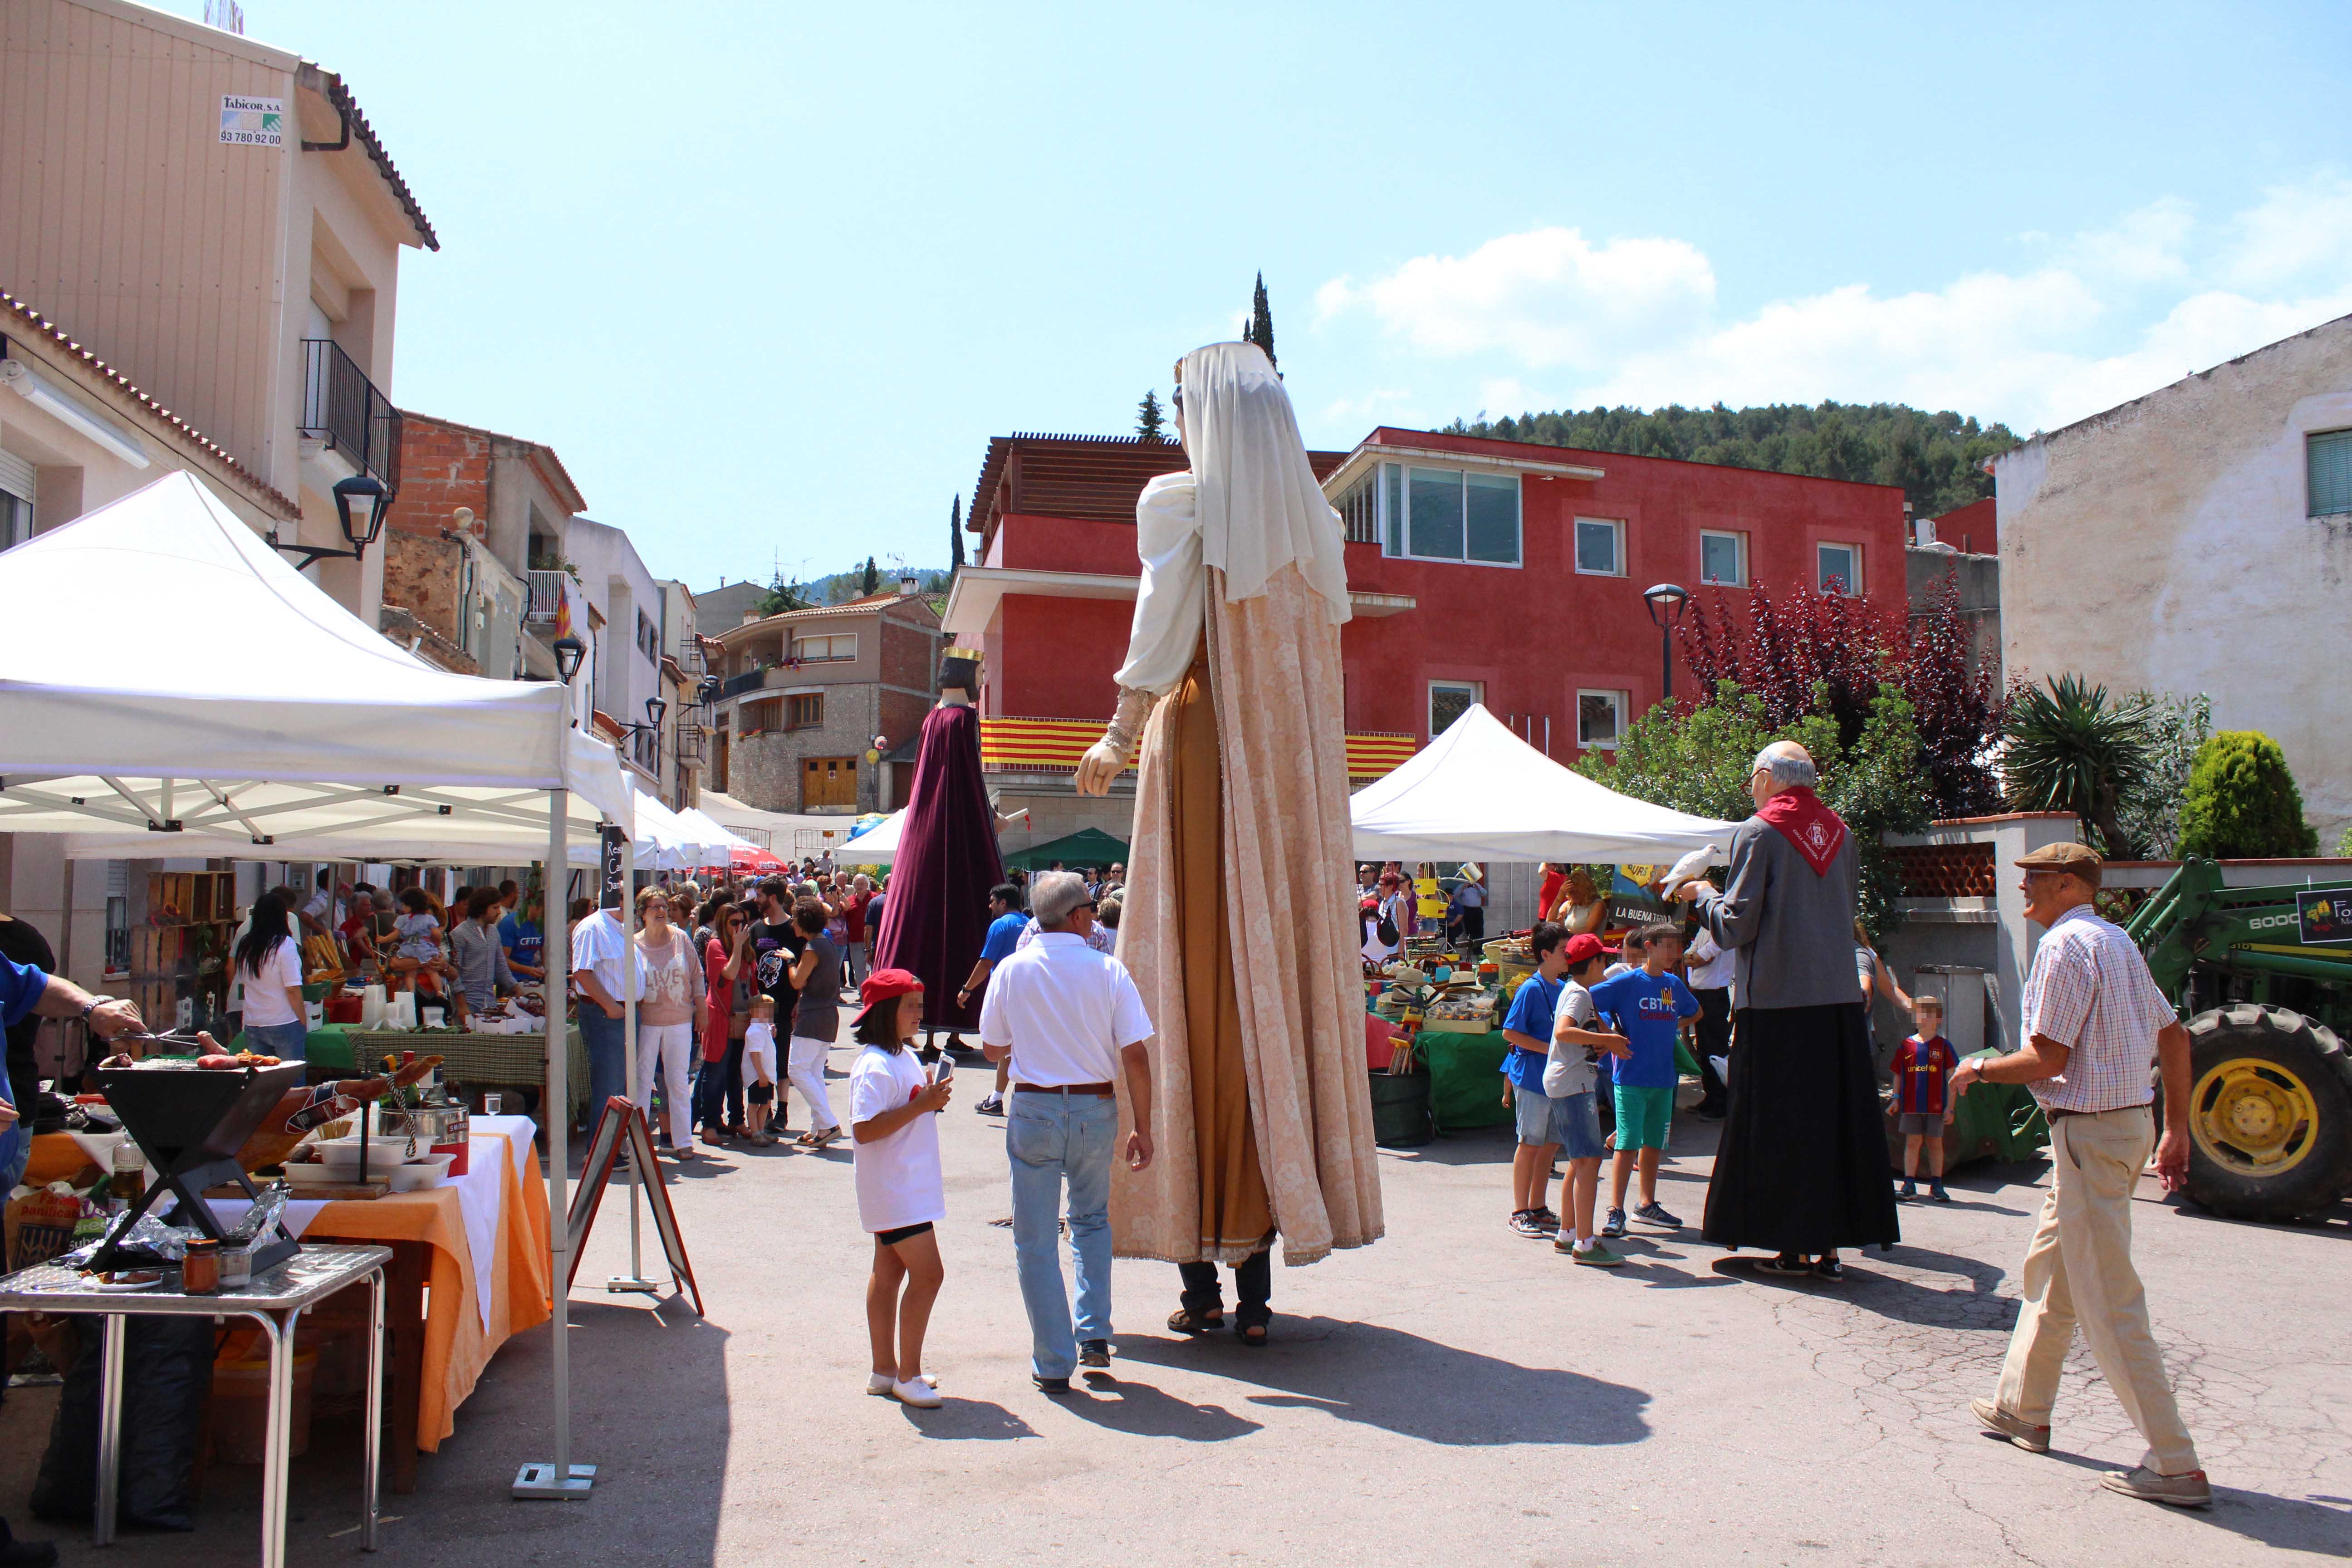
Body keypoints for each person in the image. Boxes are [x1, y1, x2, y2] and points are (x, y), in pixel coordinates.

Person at [1078, 340, 1382, 1334]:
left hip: (1207, 751)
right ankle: (1253, 1287)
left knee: (1189, 995)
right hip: (1289, 786)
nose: (1175, 419)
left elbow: (1160, 629)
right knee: (1271, 999)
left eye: (1181, 402)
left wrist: (1120, 734)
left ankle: (1198, 1284)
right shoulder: (1315, 528)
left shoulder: (1186, 504)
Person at [1955, 843, 2209, 1509]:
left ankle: (2175, 1463)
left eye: (2034, 878)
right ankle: (2022, 1407)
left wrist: (1977, 1069)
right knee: (2051, 1271)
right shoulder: (2117, 942)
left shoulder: (2065, 946)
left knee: (2108, 1301)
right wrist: (2176, 1130)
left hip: (2090, 1136)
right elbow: (2175, 1036)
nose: (2023, 888)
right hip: (2122, 1130)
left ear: (2068, 884)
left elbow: (2047, 1057)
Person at [1673, 742, 1900, 1282]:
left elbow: (1735, 926)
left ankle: (1793, 1249)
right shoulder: (1842, 833)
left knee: (1779, 1127)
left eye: (1753, 778)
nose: (1752, 789)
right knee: (1834, 1125)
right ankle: (1830, 1248)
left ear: (1767, 777)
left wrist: (1702, 893)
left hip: (1778, 1002)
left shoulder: (1759, 832)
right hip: (1838, 1003)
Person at [978, 872, 1156, 1389]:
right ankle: (1093, 1334)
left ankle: (1054, 1359)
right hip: (1093, 1106)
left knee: (1035, 1238)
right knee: (1091, 1221)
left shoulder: (1012, 969)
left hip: (1034, 1105)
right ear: (1078, 916)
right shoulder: (1108, 970)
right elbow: (1136, 1055)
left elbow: (992, 1049)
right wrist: (1143, 1126)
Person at [870, 647, 1007, 1056]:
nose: (982, 679)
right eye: (980, 672)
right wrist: (988, 821)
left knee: (922, 921)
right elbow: (970, 777)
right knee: (965, 919)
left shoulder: (931, 719)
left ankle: (925, 1030)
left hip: (923, 833)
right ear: (965, 674)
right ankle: (952, 1030)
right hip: (956, 831)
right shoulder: (965, 719)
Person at [848, 968, 951, 1409]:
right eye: (910, 1006)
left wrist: (926, 1101)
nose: (918, 1014)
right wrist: (922, 1105)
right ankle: (907, 1375)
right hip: (896, 1190)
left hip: (902, 1187)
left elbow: (899, 1115)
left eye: (920, 1006)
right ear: (885, 1011)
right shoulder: (874, 1064)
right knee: (929, 1275)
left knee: (889, 1274)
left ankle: (885, 1370)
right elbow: (864, 1129)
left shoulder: (901, 1055)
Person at [1590, 921, 1700, 1236]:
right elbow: (1588, 1000)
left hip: (1664, 1078)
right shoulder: (1627, 982)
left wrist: (1674, 1026)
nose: (1676, 953)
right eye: (1669, 946)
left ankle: (1646, 1204)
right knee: (1627, 1145)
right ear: (1649, 947)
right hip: (1631, 1076)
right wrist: (1609, 1034)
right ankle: (1616, 1210)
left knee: (1654, 1144)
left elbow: (1696, 1012)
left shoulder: (1673, 984)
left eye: (1678, 946)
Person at [1546, 934, 1633, 1265]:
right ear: (1594, 963)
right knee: (1589, 1161)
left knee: (1580, 1160)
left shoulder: (1579, 992)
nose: (1607, 965)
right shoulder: (1579, 994)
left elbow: (1584, 1033)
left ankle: (1569, 1233)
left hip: (1571, 1081)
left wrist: (1606, 1040)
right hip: (1573, 1083)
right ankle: (1585, 1243)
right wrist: (1608, 1041)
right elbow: (1563, 1032)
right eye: (1604, 959)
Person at [1501, 921, 1572, 1238]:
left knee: (1551, 1145)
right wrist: (1551, 1049)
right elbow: (1510, 1033)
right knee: (1530, 1143)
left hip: (1557, 1080)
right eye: (1564, 950)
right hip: (1532, 1078)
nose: (1569, 955)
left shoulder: (1565, 988)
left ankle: (1538, 1207)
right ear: (1546, 954)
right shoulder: (1531, 989)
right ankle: (1519, 1212)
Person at [569, 891, 648, 1130]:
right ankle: (600, 1148)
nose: (632, 903)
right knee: (609, 1086)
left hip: (624, 1013)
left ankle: (613, 1144)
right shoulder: (592, 927)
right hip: (606, 1015)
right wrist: (611, 1006)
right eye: (626, 896)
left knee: (621, 1086)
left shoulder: (621, 927)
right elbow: (582, 971)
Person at [635, 886, 703, 1158]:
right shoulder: (633, 944)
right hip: (646, 1022)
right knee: (642, 1082)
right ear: (643, 913)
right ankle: (639, 1143)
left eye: (664, 906)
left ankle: (683, 1141)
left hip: (679, 1020)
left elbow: (697, 975)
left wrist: (702, 1010)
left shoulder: (681, 939)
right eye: (655, 907)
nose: (661, 911)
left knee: (678, 1081)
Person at [958, 884, 1028, 1116]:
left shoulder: (1000, 925)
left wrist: (967, 989)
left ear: (1003, 903)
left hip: (1006, 995)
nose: (990, 906)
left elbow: (986, 962)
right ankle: (998, 1099)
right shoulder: (1031, 924)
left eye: (992, 901)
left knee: (1002, 1047)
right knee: (1016, 1047)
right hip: (1029, 994)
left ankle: (1000, 1099)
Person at [784, 900, 847, 1148]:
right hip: (828, 1015)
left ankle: (829, 1124)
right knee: (814, 1073)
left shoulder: (812, 948)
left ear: (803, 922)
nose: (792, 923)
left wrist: (791, 961)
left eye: (795, 919)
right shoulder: (827, 943)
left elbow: (797, 982)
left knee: (797, 1071)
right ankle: (820, 1128)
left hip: (813, 1016)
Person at [696, 896, 753, 1145]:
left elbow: (754, 986)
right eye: (734, 922)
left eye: (742, 922)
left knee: (736, 1073)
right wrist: (738, 946)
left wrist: (766, 1020)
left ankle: (737, 1120)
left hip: (743, 1018)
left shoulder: (747, 947)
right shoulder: (715, 945)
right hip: (721, 1017)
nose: (739, 927)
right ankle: (709, 1124)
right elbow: (727, 975)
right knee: (715, 1071)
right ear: (722, 923)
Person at [1890, 995, 1957, 1201]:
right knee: (1912, 1143)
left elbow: (1952, 1079)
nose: (1924, 1018)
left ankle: (1937, 1185)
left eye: (1929, 1014)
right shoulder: (1906, 1046)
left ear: (1939, 1019)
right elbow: (1898, 1074)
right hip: (1911, 1106)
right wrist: (1896, 1098)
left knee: (1935, 1144)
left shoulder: (1944, 1047)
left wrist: (1950, 1108)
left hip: (1936, 1107)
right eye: (1920, 1013)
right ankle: (1909, 1184)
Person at [232, 890, 309, 1062]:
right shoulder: (285, 944)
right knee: (291, 1075)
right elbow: (292, 989)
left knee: (260, 1075)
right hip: (284, 1021)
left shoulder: (247, 945)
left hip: (254, 1022)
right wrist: (303, 1019)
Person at [1684, 920, 1735, 1120]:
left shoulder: (1722, 928)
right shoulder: (1705, 928)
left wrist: (1695, 957)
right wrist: (1694, 957)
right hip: (1701, 994)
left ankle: (1721, 1102)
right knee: (1704, 1050)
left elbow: (1700, 958)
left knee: (1716, 1050)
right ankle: (1710, 1097)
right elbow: (1690, 955)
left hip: (1715, 995)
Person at [447, 887, 519, 1029]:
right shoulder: (459, 934)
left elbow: (501, 967)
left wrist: (516, 989)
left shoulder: (494, 933)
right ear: (482, 909)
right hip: (468, 1005)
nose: (499, 912)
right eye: (495, 908)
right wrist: (462, 1006)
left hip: (490, 1005)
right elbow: (454, 974)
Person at [741, 994, 782, 1144]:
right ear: (753, 1012)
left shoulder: (765, 1028)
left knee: (766, 1104)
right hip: (758, 1076)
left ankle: (761, 1131)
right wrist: (761, 1074)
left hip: (767, 1075)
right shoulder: (755, 1032)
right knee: (754, 1104)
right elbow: (755, 1055)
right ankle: (755, 1133)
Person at [1446, 866, 1487, 950]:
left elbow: (1484, 894)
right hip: (1468, 910)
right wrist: (1462, 889)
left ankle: (1479, 950)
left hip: (1477, 910)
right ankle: (1471, 949)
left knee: (1479, 930)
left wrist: (1479, 888)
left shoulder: (1477, 886)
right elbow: (1455, 896)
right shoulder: (1462, 886)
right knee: (1469, 930)